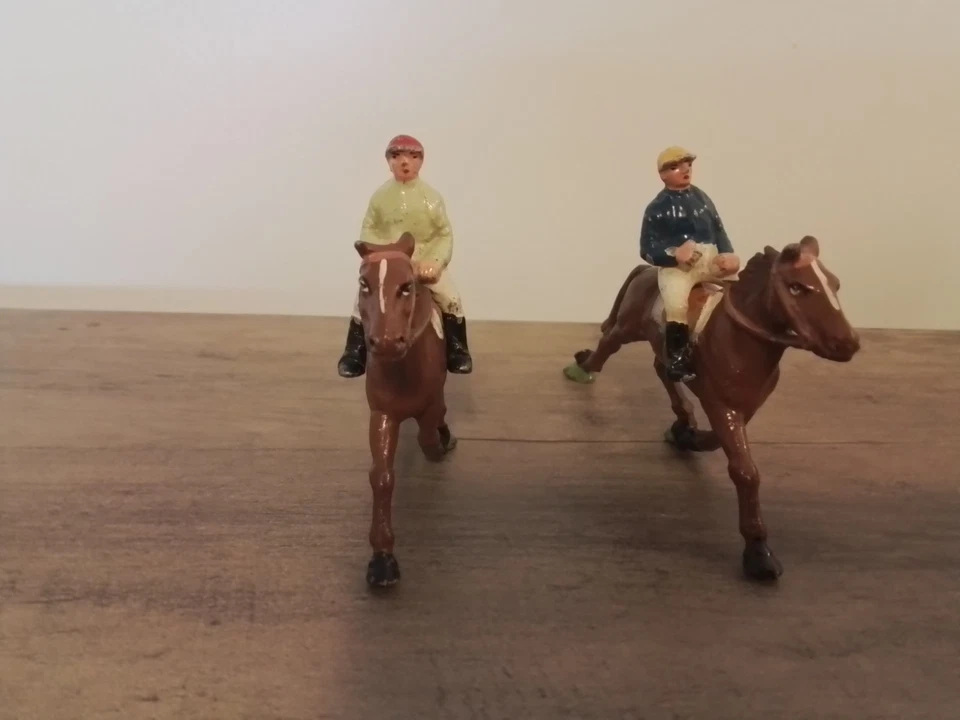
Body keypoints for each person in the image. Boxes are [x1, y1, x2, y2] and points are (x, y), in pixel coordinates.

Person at [337, 134, 473, 377]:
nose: (404, 162)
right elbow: (369, 230)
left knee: (450, 298)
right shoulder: (380, 198)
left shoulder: (431, 199)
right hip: (390, 262)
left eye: (412, 156)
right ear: (388, 161)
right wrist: (381, 255)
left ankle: (457, 349)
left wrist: (435, 262)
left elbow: (444, 235)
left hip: (423, 261)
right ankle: (355, 350)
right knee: (362, 301)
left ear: (421, 162)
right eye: (397, 156)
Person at [639, 146, 740, 381]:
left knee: (739, 288)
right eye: (675, 167)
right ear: (663, 175)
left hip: (710, 259)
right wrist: (673, 256)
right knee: (676, 304)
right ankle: (676, 360)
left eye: (688, 165)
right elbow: (646, 250)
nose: (685, 170)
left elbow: (718, 229)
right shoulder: (657, 208)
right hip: (679, 268)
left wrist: (728, 254)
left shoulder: (702, 198)